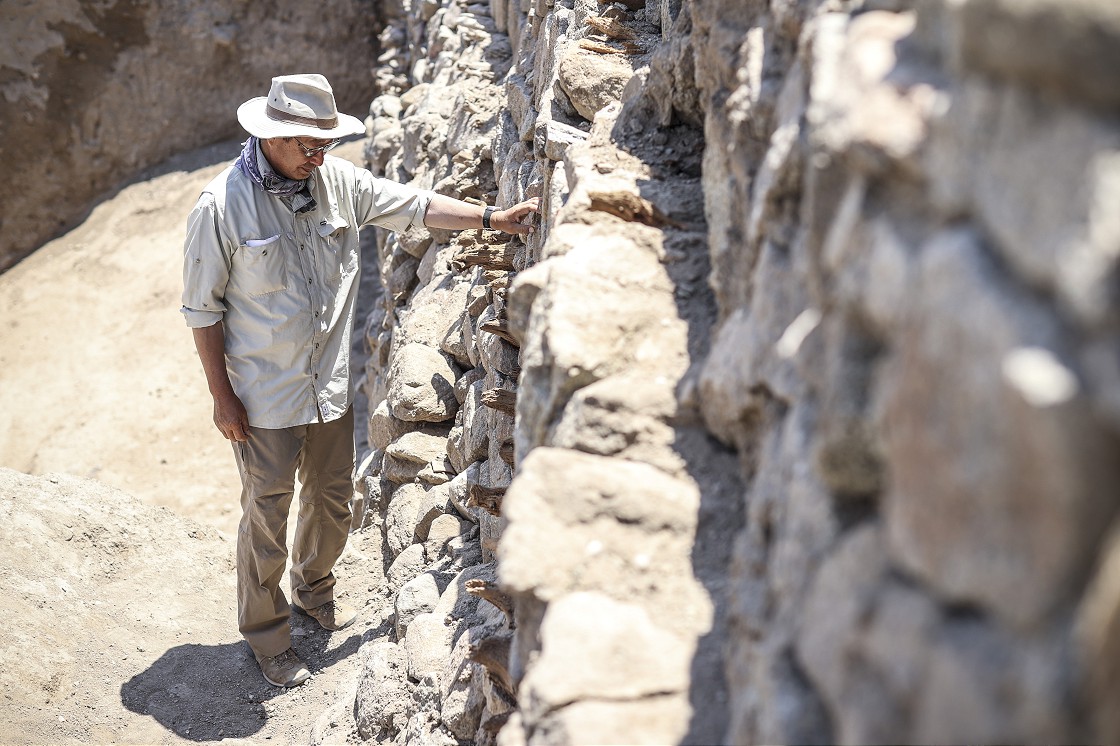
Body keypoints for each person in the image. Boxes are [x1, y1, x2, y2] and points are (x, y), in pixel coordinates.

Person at [181, 73, 538, 688]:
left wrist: (492, 218)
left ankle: (313, 590)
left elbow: (414, 207)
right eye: (306, 145)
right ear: (272, 138)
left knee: (333, 501)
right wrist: (222, 398)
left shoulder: (339, 183)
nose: (318, 156)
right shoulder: (221, 207)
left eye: (324, 144)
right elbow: (202, 311)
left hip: (328, 386)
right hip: (263, 396)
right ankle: (268, 638)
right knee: (266, 517)